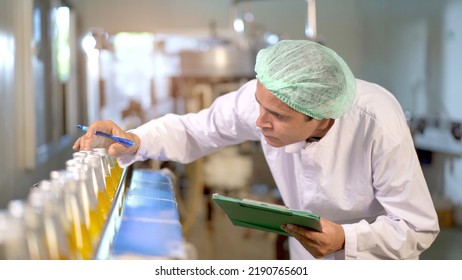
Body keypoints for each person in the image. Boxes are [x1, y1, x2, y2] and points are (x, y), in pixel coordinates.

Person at [73, 40, 439, 260]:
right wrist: (134, 140)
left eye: (278, 117)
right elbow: (197, 129)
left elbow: (418, 227)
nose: (259, 121)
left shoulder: (376, 122)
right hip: (306, 259)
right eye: (259, 106)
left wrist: (347, 238)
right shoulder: (264, 99)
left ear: (321, 117)